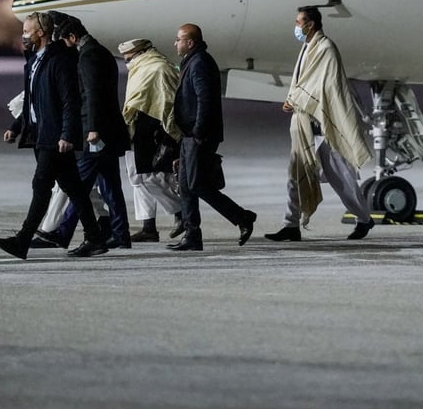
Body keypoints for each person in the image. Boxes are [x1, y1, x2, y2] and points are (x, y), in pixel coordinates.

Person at [0, 11, 107, 259]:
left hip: (54, 137)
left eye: (27, 31)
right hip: (39, 134)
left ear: (41, 33)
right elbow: (33, 101)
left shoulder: (60, 61)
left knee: (41, 185)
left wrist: (67, 134)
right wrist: (16, 126)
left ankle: (22, 240)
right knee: (74, 188)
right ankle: (95, 237)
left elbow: (69, 101)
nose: (23, 35)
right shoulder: (34, 61)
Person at [265, 6, 375, 241]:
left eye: (298, 22)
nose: (296, 27)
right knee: (296, 172)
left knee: (341, 178)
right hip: (305, 123)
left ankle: (365, 219)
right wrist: (292, 100)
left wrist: (295, 100)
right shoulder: (307, 47)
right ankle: (291, 225)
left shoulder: (326, 49)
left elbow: (326, 86)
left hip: (325, 124)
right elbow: (304, 82)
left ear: (310, 24)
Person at [33, 15, 132, 249]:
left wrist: (93, 128)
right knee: (110, 186)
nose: (66, 47)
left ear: (73, 37)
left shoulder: (88, 56)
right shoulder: (100, 52)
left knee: (77, 186)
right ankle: (121, 234)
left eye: (66, 42)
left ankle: (64, 233)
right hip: (106, 131)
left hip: (96, 132)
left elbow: (92, 94)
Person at [169, 23, 257, 251]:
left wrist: (198, 134)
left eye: (178, 39)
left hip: (200, 135)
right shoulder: (192, 61)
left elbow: (205, 100)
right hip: (190, 135)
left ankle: (242, 217)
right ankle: (192, 236)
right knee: (186, 186)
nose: (175, 43)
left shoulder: (199, 63)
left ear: (190, 42)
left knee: (196, 185)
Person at [118, 38, 183, 243]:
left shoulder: (159, 67)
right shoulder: (140, 67)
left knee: (152, 178)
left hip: (154, 129)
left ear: (140, 52)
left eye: (128, 56)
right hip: (135, 128)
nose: (126, 59)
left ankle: (182, 213)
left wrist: (172, 132)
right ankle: (148, 227)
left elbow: (169, 100)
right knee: (136, 179)